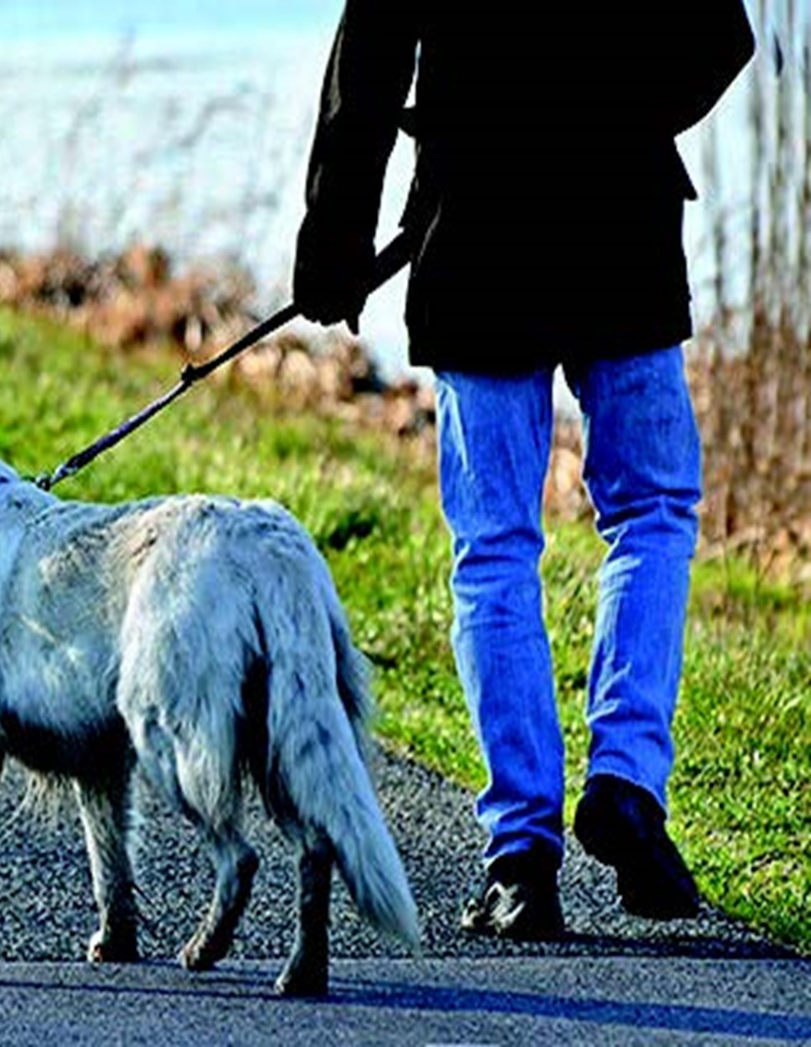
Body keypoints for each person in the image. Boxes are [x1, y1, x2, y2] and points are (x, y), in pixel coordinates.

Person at [292, 1, 755, 938]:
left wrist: (336, 241)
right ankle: (625, 780)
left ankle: (520, 858)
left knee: (495, 544)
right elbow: (720, 36)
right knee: (653, 507)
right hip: (618, 226)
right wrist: (613, 113)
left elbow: (370, 61)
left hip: (477, 234)